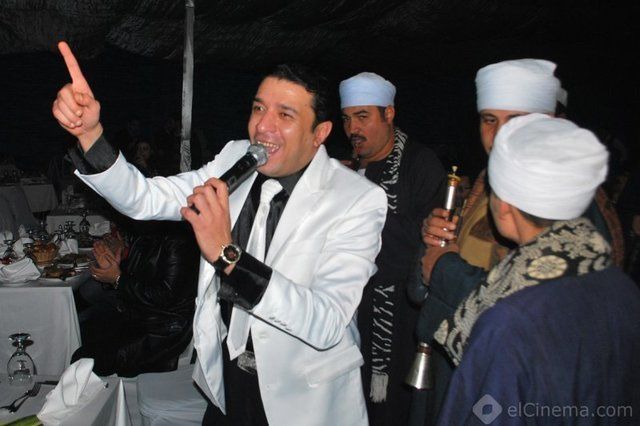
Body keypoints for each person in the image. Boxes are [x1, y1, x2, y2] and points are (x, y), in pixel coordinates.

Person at [52, 41, 387, 425]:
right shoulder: (236, 158)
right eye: (259, 108)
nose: (263, 126)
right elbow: (145, 198)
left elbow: (325, 323)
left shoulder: (357, 199)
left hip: (303, 396)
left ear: (320, 133)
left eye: (285, 114)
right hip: (227, 380)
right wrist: (91, 135)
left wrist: (229, 256)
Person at [410, 59, 624, 424]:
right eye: (489, 120)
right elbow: (420, 289)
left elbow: (547, 314)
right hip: (459, 367)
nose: (499, 135)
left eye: (516, 120)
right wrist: (431, 244)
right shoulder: (484, 186)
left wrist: (444, 269)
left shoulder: (571, 200)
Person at [339, 72, 446, 425]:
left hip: (399, 318)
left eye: (362, 116)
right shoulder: (350, 168)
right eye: (347, 118)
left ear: (389, 114)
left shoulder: (420, 164)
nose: (353, 128)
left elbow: (422, 247)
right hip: (353, 312)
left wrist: (355, 208)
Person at [73, 220, 200, 377]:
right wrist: (113, 269)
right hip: (139, 317)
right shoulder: (147, 234)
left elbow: (165, 297)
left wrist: (117, 278)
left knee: (83, 360)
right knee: (81, 330)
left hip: (163, 331)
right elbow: (135, 278)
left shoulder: (179, 240)